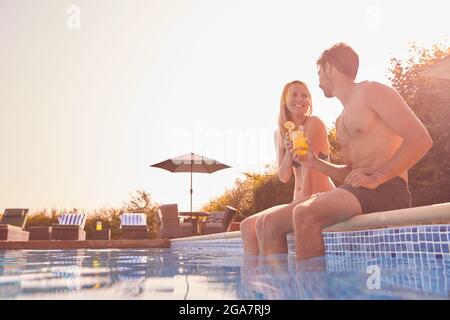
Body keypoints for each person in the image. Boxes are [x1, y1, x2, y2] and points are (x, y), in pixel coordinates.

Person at [258, 43, 433, 259]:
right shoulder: (341, 120)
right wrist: (315, 163)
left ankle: (312, 292)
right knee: (270, 223)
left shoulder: (372, 91)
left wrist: (377, 177)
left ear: (329, 68)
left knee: (305, 213)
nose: (318, 82)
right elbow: (351, 172)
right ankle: (281, 290)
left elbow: (421, 139)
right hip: (359, 190)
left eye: (319, 72)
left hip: (388, 189)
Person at [240, 80, 335, 254]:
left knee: (268, 223)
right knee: (247, 226)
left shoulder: (314, 123)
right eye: (294, 94)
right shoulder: (279, 133)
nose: (300, 99)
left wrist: (301, 207)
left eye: (305, 95)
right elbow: (284, 177)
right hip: (297, 200)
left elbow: (309, 170)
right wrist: (289, 153)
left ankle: (277, 278)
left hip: (319, 197)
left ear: (310, 101)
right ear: (284, 101)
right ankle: (255, 281)